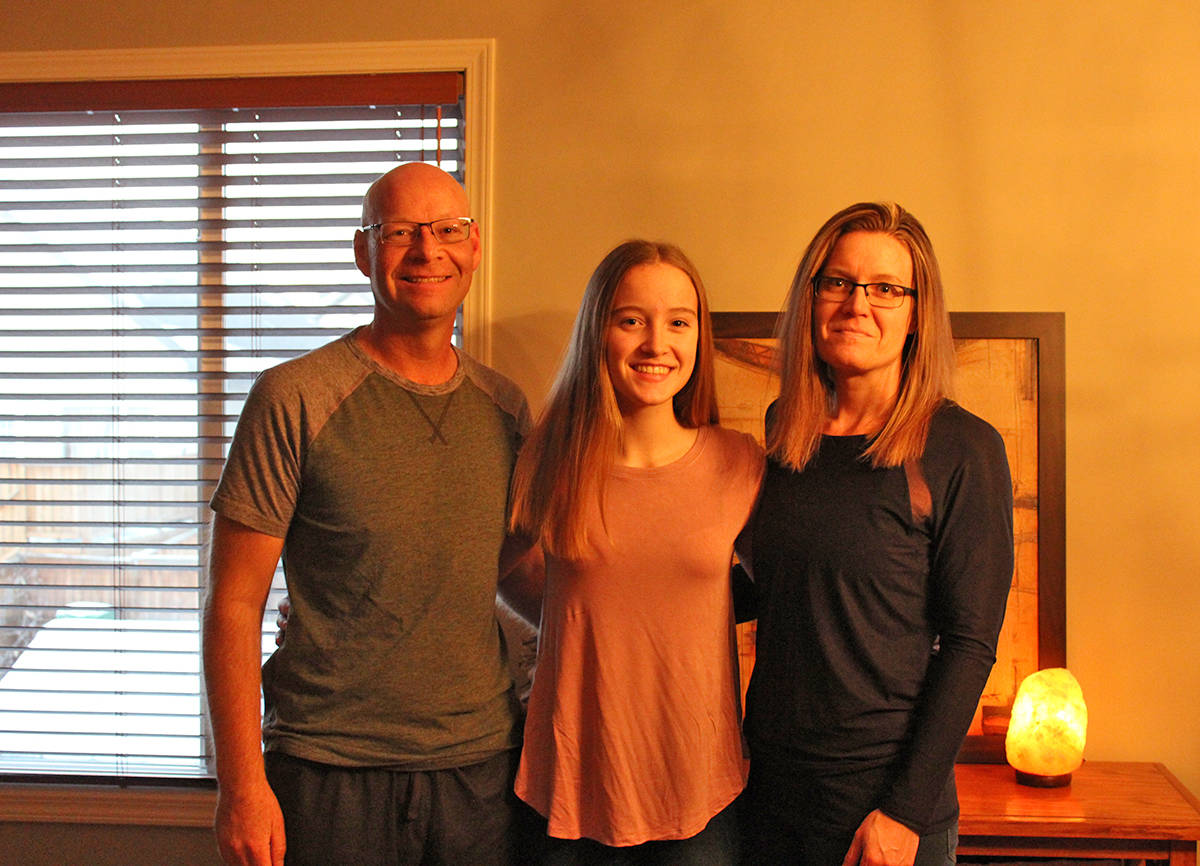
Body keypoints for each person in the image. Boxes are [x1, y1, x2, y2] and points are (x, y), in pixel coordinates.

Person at [202, 162, 542, 866]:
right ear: (364, 251)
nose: (427, 251)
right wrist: (241, 787)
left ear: (473, 248)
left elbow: (501, 567)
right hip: (328, 772)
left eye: (448, 230)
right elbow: (233, 604)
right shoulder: (293, 398)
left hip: (480, 772)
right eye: (399, 233)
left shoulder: (507, 410)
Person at [738, 202, 1014, 866]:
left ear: (918, 312)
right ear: (811, 298)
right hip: (767, 794)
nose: (858, 304)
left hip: (879, 815)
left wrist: (904, 812)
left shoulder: (961, 448)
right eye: (838, 282)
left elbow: (970, 644)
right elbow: (766, 588)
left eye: (886, 288)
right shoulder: (786, 429)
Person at [507, 240, 764, 864]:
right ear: (599, 331)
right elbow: (502, 566)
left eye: (678, 322)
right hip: (569, 788)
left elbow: (795, 592)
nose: (657, 343)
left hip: (701, 789)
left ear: (699, 337)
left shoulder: (740, 463)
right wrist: (579, 625)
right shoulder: (551, 457)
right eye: (632, 321)